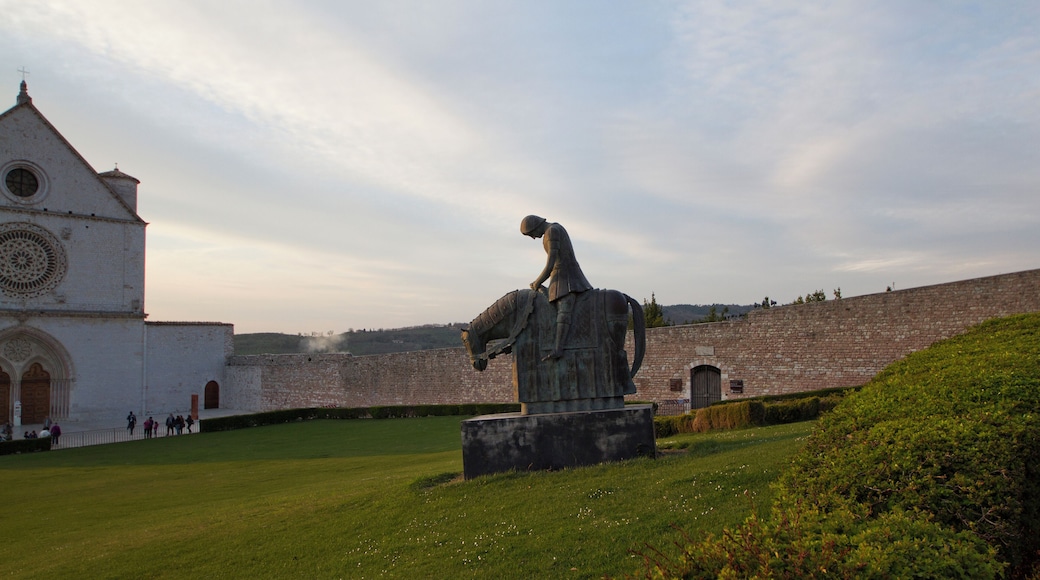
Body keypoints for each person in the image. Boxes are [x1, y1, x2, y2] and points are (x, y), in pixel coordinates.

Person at [521, 215, 593, 359]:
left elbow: (550, 264)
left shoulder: (552, 231)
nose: (533, 238)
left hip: (566, 277)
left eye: (531, 235)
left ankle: (558, 348)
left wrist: (537, 282)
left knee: (563, 310)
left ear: (535, 227)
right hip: (559, 276)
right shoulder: (553, 229)